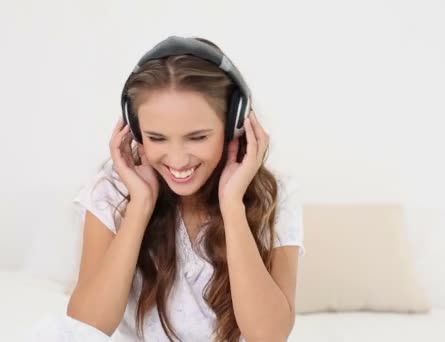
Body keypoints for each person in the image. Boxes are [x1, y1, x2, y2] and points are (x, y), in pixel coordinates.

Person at [29, 36, 304, 342]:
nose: (176, 159)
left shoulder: (274, 193)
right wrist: (140, 205)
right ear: (134, 131)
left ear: (234, 127)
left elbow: (269, 336)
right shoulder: (112, 188)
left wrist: (232, 205)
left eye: (197, 137)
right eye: (157, 138)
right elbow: (86, 328)